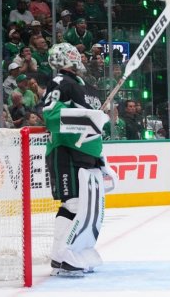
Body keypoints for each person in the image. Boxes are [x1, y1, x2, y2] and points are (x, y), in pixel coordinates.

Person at [43, 42, 118, 277]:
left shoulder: (88, 89)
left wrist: (101, 158)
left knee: (88, 208)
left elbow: (95, 126)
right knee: (73, 204)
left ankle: (69, 252)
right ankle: (63, 254)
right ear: (64, 59)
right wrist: (88, 118)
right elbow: (50, 115)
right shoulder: (60, 83)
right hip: (66, 151)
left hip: (88, 154)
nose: (79, 56)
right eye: (73, 53)